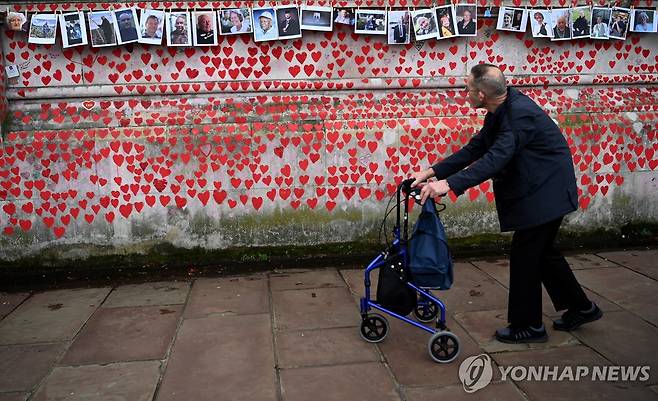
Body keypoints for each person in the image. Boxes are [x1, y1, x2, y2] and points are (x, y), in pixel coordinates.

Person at [411, 64, 602, 344]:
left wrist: (449, 185)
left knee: (526, 256)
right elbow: (477, 147)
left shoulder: (517, 115)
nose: (464, 92)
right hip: (544, 187)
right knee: (543, 253)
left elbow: (496, 158)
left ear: (481, 94)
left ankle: (529, 327)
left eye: (467, 88)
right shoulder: (501, 109)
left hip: (546, 192)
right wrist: (433, 172)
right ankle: (582, 308)